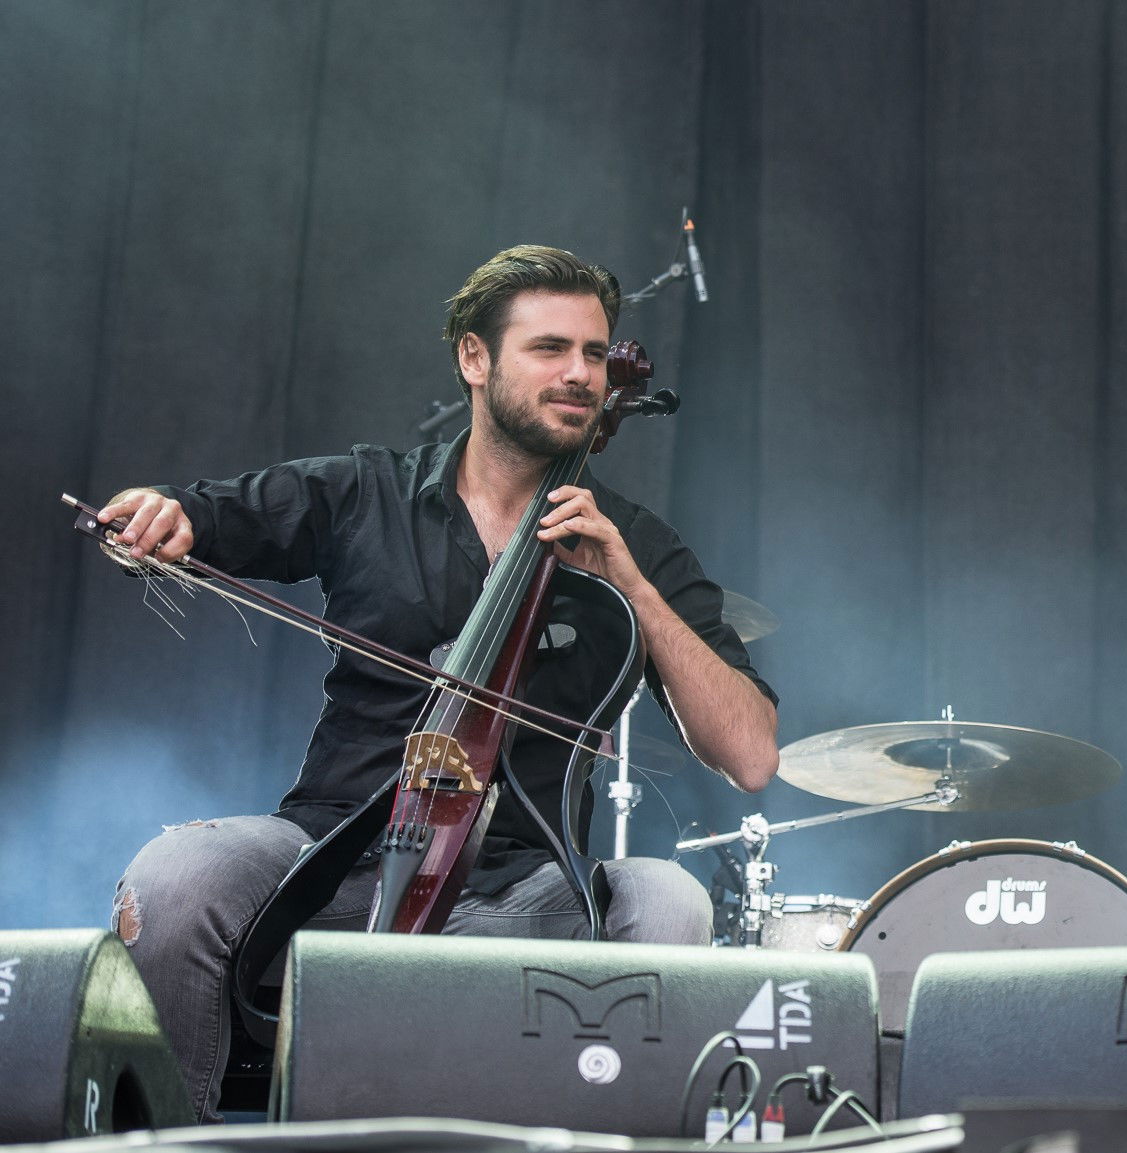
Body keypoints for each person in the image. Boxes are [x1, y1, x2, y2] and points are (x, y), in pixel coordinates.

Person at [98, 245, 780, 1120]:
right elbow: (210, 513)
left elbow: (752, 753)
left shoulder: (633, 542)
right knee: (178, 875)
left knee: (671, 899)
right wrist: (162, 511)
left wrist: (634, 589)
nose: (581, 374)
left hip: (526, 888)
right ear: (474, 357)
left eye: (596, 354)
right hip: (333, 856)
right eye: (550, 348)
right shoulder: (365, 493)